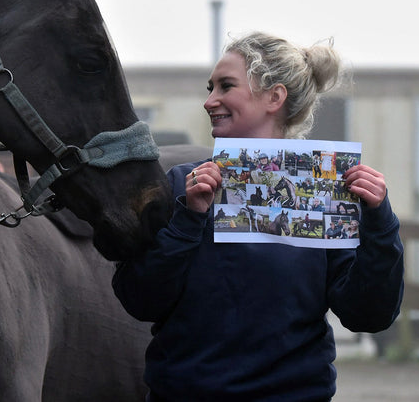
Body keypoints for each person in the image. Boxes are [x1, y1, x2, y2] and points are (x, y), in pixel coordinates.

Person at [112, 31, 404, 401]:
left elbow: (368, 315)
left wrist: (381, 223)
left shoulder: (325, 191)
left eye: (225, 86)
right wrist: (190, 219)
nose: (209, 101)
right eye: (210, 88)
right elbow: (140, 301)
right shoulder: (181, 185)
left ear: (274, 97)